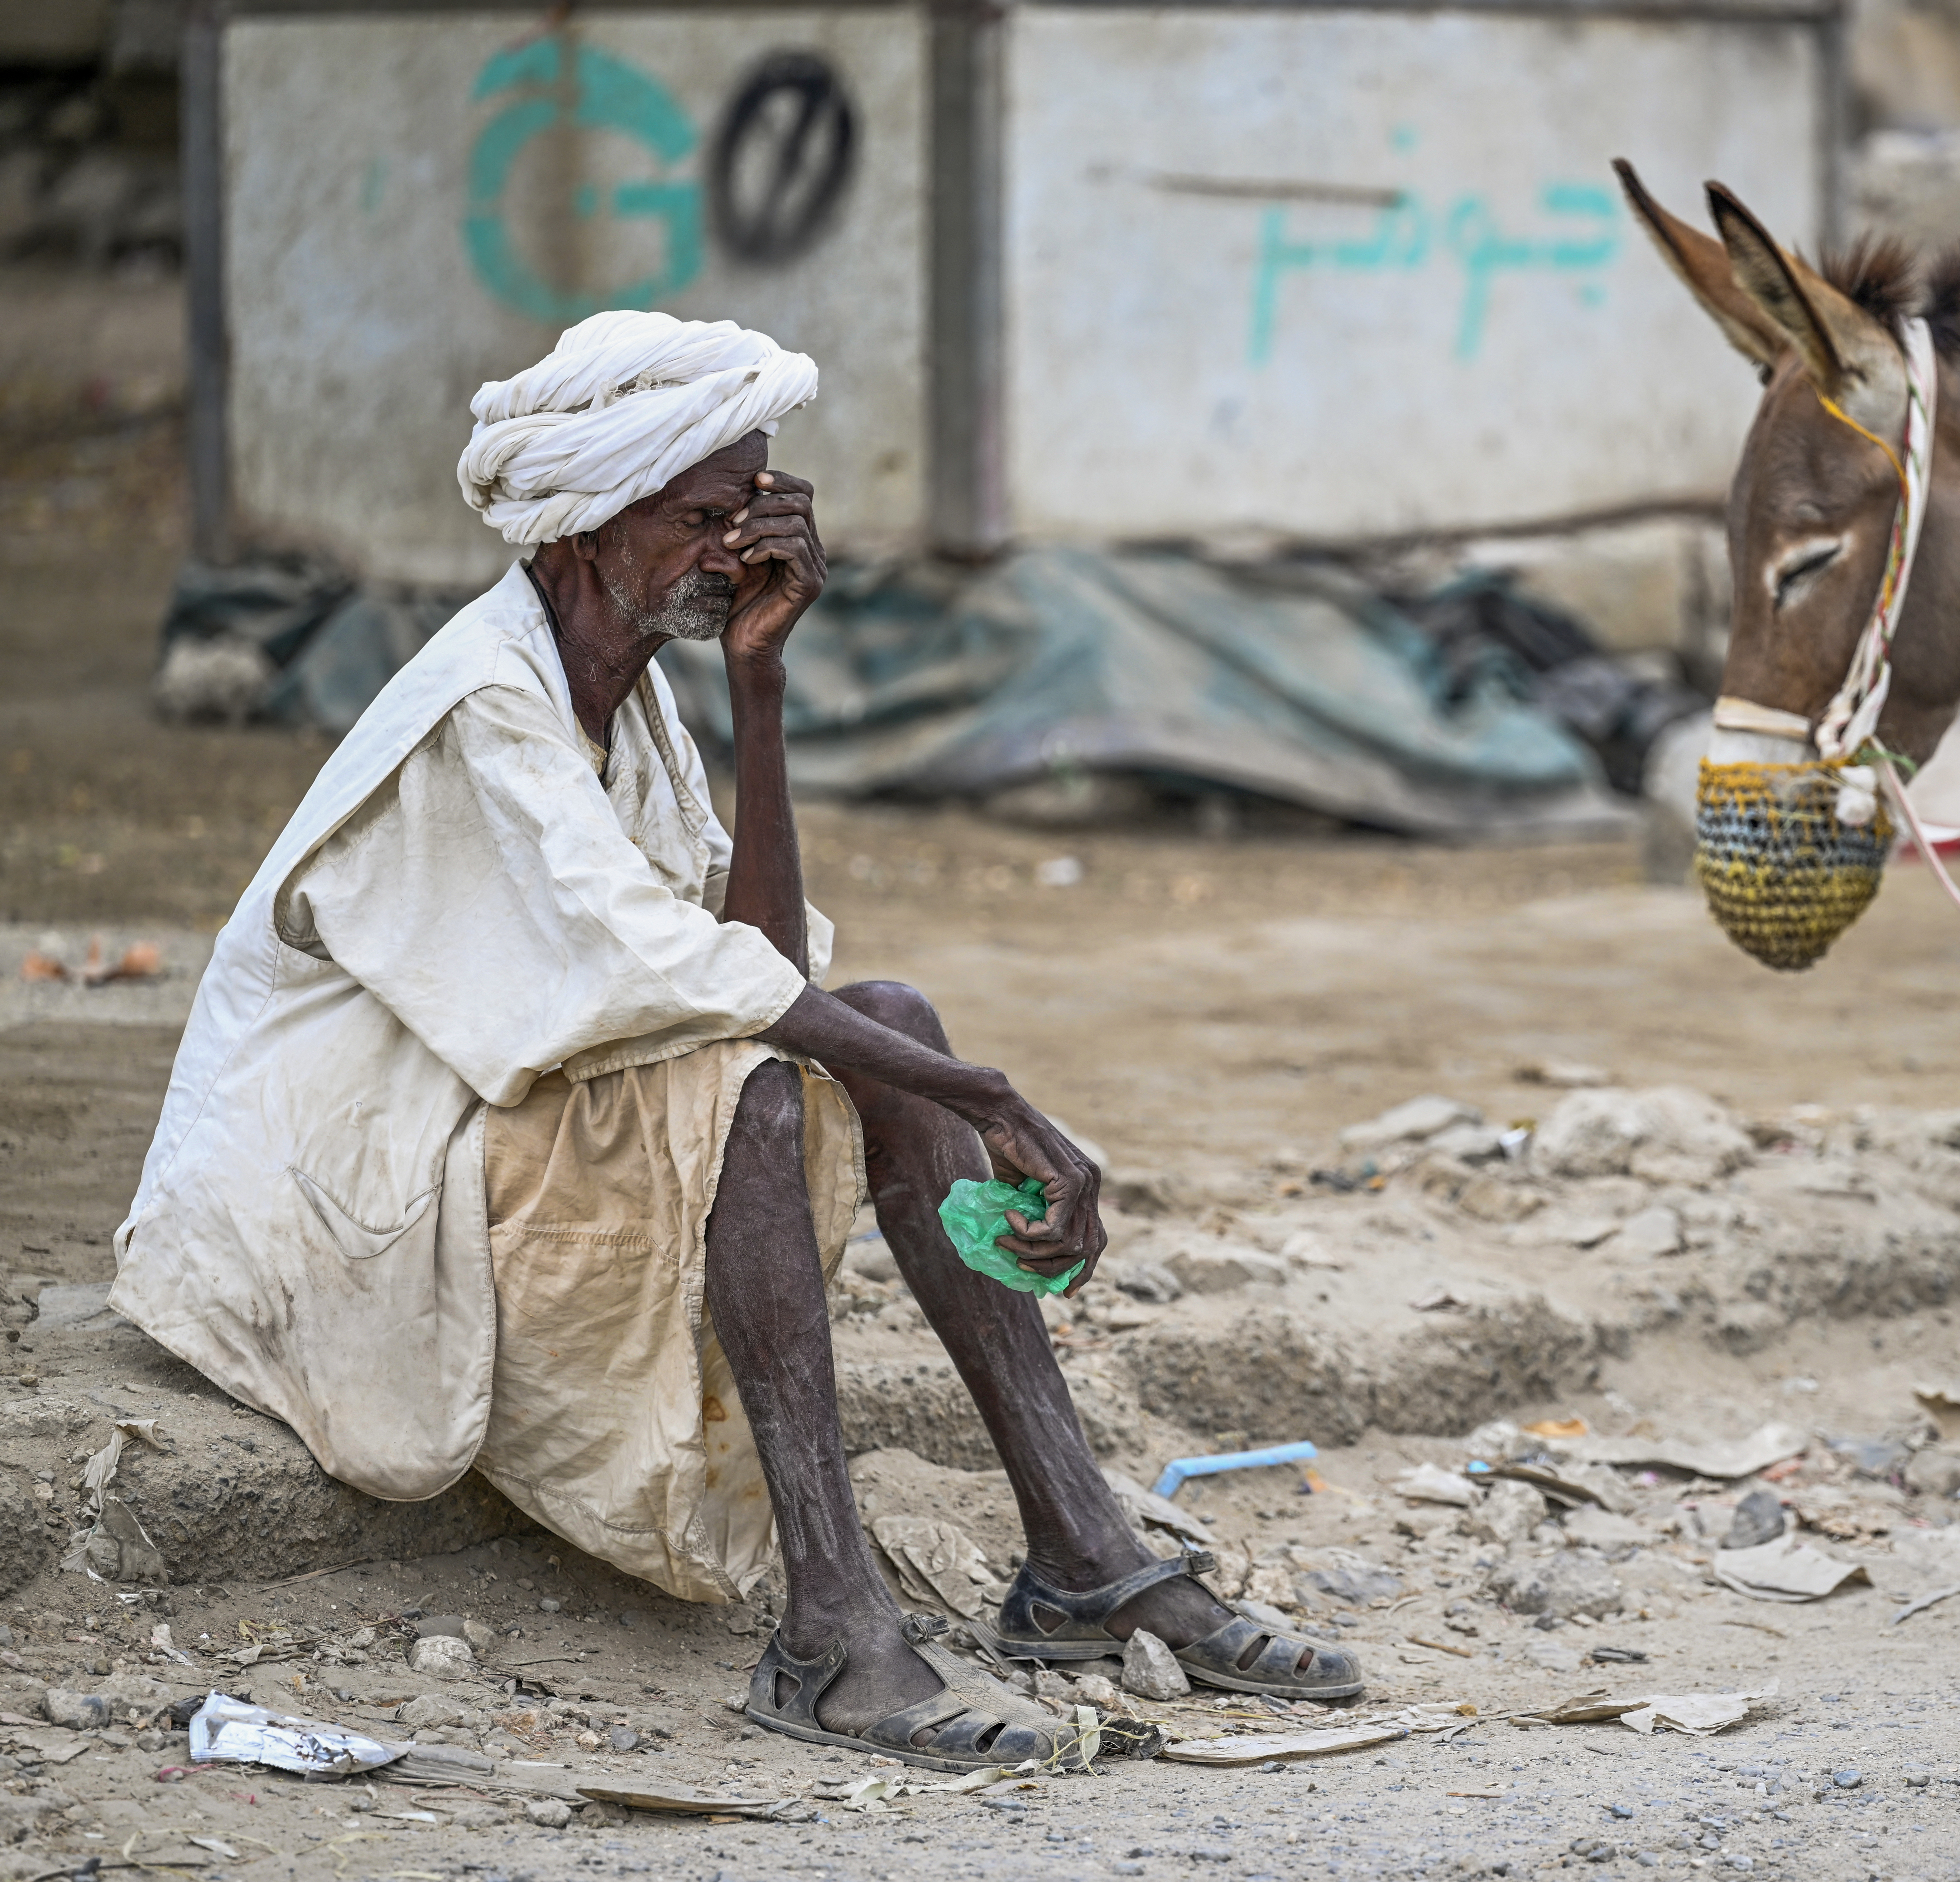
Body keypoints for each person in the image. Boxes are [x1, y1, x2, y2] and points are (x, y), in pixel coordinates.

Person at [114, 311, 1360, 1769]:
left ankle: (1084, 1555)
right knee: (764, 1088)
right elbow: (688, 983)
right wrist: (997, 1098)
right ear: (587, 526)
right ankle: (832, 1632)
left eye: (758, 515)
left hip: (462, 1140)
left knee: (885, 1021)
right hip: (324, 1203)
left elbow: (759, 960)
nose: (741, 552)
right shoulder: (483, 710)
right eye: (707, 519)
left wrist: (760, 684)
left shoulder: (629, 707)